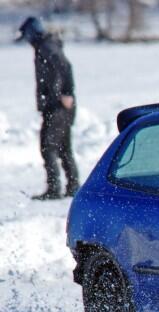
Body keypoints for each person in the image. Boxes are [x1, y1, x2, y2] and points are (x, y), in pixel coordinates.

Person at [16, 16, 80, 200]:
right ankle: (73, 186)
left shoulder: (47, 47)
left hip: (57, 106)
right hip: (58, 105)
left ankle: (56, 188)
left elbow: (65, 67)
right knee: (63, 147)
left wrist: (65, 93)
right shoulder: (47, 46)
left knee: (48, 146)